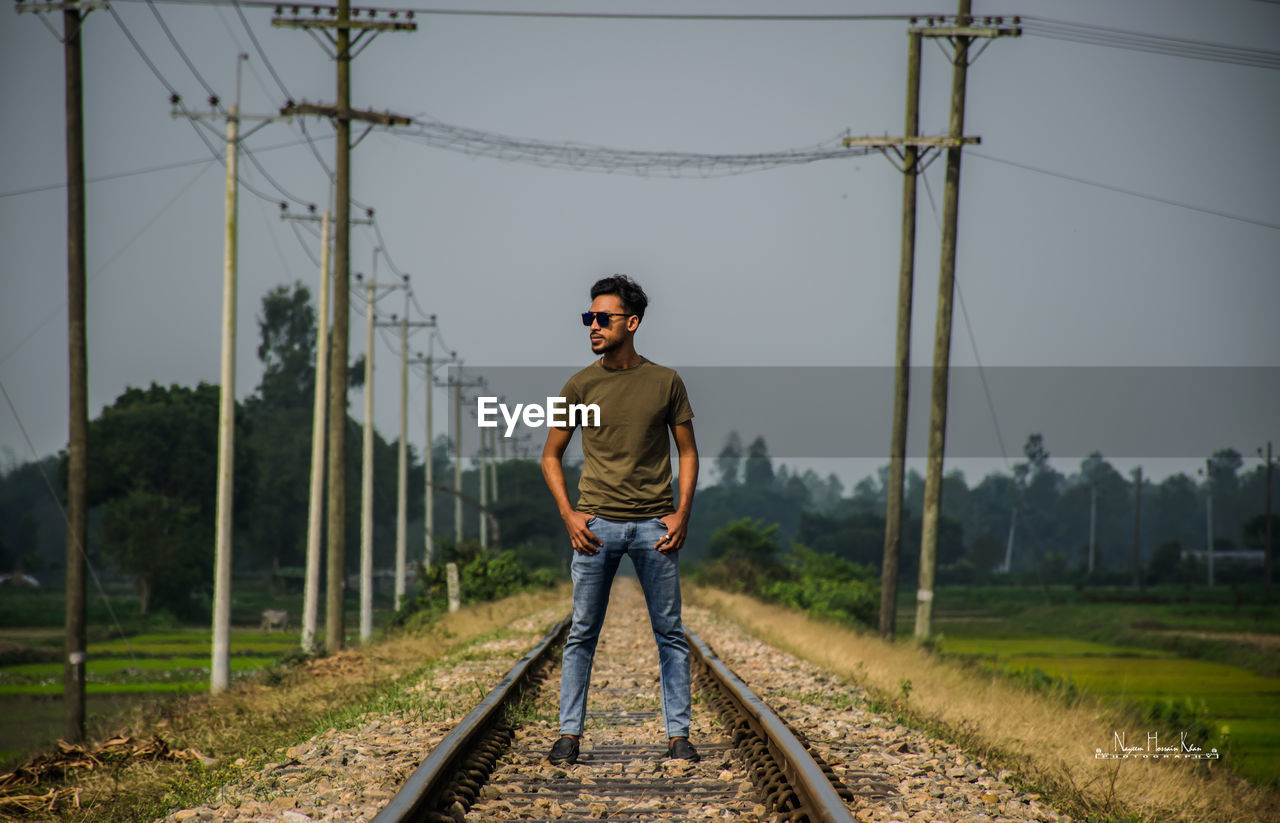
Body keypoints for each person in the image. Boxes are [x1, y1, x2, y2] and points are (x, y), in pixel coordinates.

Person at [540, 274, 700, 766]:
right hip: (596, 528)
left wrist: (681, 514)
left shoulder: (665, 381)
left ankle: (679, 736)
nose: (592, 325)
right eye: (588, 317)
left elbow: (689, 453)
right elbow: (550, 455)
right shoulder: (580, 385)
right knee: (582, 632)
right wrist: (569, 515)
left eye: (602, 318)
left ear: (631, 323)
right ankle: (569, 735)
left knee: (669, 633)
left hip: (654, 526)